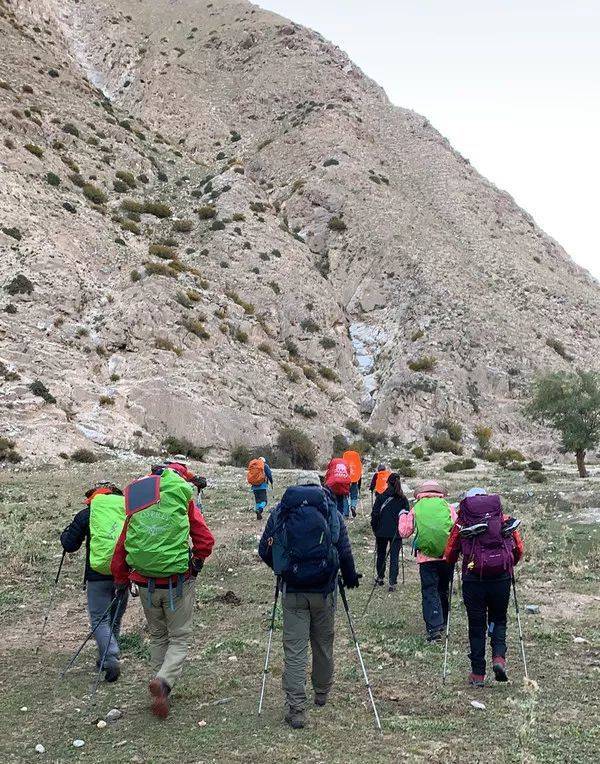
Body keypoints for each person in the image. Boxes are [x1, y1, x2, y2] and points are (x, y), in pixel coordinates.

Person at [111, 461, 215, 718]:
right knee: (179, 637)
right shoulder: (181, 494)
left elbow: (123, 541)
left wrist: (121, 577)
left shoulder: (139, 495)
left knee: (158, 637)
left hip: (144, 581)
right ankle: (164, 682)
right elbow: (205, 539)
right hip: (176, 581)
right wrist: (197, 562)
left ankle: (159, 686)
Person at [258, 471, 361, 729]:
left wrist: (282, 570)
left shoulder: (282, 510)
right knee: (323, 643)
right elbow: (344, 549)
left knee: (295, 650)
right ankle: (322, 692)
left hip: (293, 590)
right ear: (319, 486)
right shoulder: (330, 509)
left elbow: (264, 550)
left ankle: (296, 709)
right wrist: (349, 576)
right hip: (324, 590)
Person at [444, 487, 524, 686]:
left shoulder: (462, 523)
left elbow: (450, 553)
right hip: (501, 578)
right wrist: (507, 566)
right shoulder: (503, 519)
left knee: (476, 626)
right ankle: (499, 658)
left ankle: (478, 674)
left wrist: (455, 560)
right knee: (499, 619)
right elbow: (518, 549)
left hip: (473, 580)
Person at [60, 482, 128, 682]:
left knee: (99, 619)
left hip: (97, 575)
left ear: (94, 496)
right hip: (122, 574)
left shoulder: (88, 513)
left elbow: (69, 545)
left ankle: (110, 657)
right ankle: (106, 658)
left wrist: (65, 533)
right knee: (114, 619)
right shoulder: (127, 510)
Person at [399, 480, 456, 641]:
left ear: (421, 493)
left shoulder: (417, 508)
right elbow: (456, 529)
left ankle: (434, 627)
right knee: (443, 588)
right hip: (446, 556)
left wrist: (402, 516)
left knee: (430, 590)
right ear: (440, 492)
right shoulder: (448, 507)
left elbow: (404, 532)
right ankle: (443, 620)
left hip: (426, 558)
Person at [370, 472, 409, 592]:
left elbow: (375, 514)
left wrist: (375, 528)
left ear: (387, 483)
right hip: (396, 532)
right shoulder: (403, 499)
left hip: (381, 531)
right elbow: (407, 516)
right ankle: (392, 582)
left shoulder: (381, 497)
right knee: (394, 557)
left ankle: (380, 577)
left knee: (381, 554)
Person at [247, 456, 273, 520]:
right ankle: (260, 509)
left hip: (254, 487)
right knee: (264, 501)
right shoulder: (265, 466)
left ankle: (258, 514)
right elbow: (269, 474)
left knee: (258, 501)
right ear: (264, 461)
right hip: (262, 486)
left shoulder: (254, 466)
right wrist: (271, 482)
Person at [343, 449, 363, 518]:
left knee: (345, 496)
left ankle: (346, 513)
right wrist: (359, 486)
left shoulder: (344, 462)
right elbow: (359, 475)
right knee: (354, 496)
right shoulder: (358, 464)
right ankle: (353, 507)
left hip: (346, 481)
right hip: (354, 482)